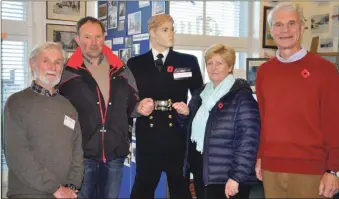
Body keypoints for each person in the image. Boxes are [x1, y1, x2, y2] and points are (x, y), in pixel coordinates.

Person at [59, 16, 153, 198]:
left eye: (98, 36)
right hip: (81, 155)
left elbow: (132, 104)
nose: (93, 43)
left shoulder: (121, 69)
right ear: (77, 39)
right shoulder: (66, 74)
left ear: (104, 38)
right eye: (87, 37)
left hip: (115, 153)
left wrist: (140, 108)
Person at [255, 2, 339, 198]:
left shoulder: (325, 70)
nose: (285, 30)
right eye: (278, 24)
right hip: (271, 169)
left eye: (291, 23)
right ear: (271, 30)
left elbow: (334, 122)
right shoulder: (264, 72)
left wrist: (334, 169)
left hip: (311, 171)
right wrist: (260, 156)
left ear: (302, 28)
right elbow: (263, 120)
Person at [127, 14, 204, 199]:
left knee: (180, 189)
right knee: (142, 189)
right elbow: (127, 101)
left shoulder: (188, 61)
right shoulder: (135, 64)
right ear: (152, 33)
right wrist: (138, 107)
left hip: (176, 135)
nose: (171, 34)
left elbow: (199, 96)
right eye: (165, 30)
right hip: (148, 136)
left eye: (172, 29)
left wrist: (189, 110)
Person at [175, 44, 260, 199]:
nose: (213, 67)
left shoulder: (241, 97)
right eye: (210, 63)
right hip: (202, 170)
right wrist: (184, 115)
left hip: (227, 176)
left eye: (219, 63)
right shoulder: (200, 94)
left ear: (230, 67)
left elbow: (249, 141)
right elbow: (187, 131)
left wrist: (236, 177)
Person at [4, 42, 83, 198]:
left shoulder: (67, 106)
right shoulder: (16, 103)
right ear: (32, 64)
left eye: (58, 62)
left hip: (65, 193)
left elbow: (77, 150)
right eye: (46, 61)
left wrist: (72, 185)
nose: (52, 67)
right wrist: (54, 188)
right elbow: (18, 154)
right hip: (28, 193)